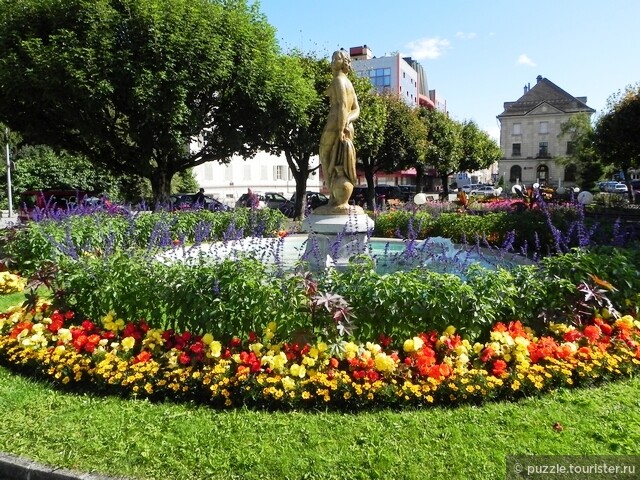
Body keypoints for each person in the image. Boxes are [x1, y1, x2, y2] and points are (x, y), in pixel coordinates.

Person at [318, 49, 360, 210]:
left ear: (343, 62)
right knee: (341, 163)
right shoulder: (348, 83)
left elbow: (343, 106)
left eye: (335, 58)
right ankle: (338, 198)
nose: (332, 61)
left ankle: (334, 200)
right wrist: (348, 122)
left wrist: (341, 128)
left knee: (326, 158)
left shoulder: (338, 81)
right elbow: (356, 109)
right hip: (347, 126)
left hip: (335, 125)